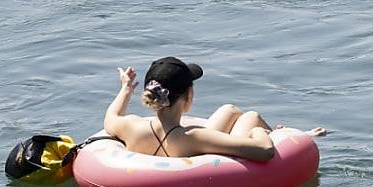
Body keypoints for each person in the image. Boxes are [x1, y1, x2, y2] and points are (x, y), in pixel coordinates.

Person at [104, 56, 325, 161]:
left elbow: (110, 118)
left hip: (163, 146)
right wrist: (265, 133)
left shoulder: (130, 125)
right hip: (190, 153)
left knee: (229, 110)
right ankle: (279, 131)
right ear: (188, 95)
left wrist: (125, 89)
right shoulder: (195, 137)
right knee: (251, 116)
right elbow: (264, 151)